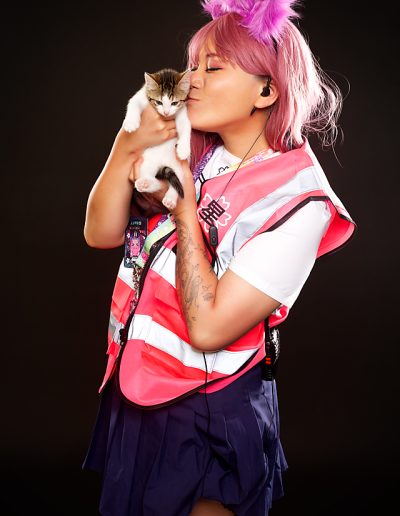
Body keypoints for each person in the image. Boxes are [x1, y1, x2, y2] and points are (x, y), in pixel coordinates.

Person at [82, 1, 357, 515]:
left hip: (211, 407)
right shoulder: (190, 143)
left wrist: (185, 209)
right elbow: (101, 233)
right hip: (138, 384)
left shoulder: (299, 201)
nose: (191, 81)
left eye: (213, 68)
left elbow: (209, 329)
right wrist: (125, 145)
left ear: (267, 91)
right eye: (192, 65)